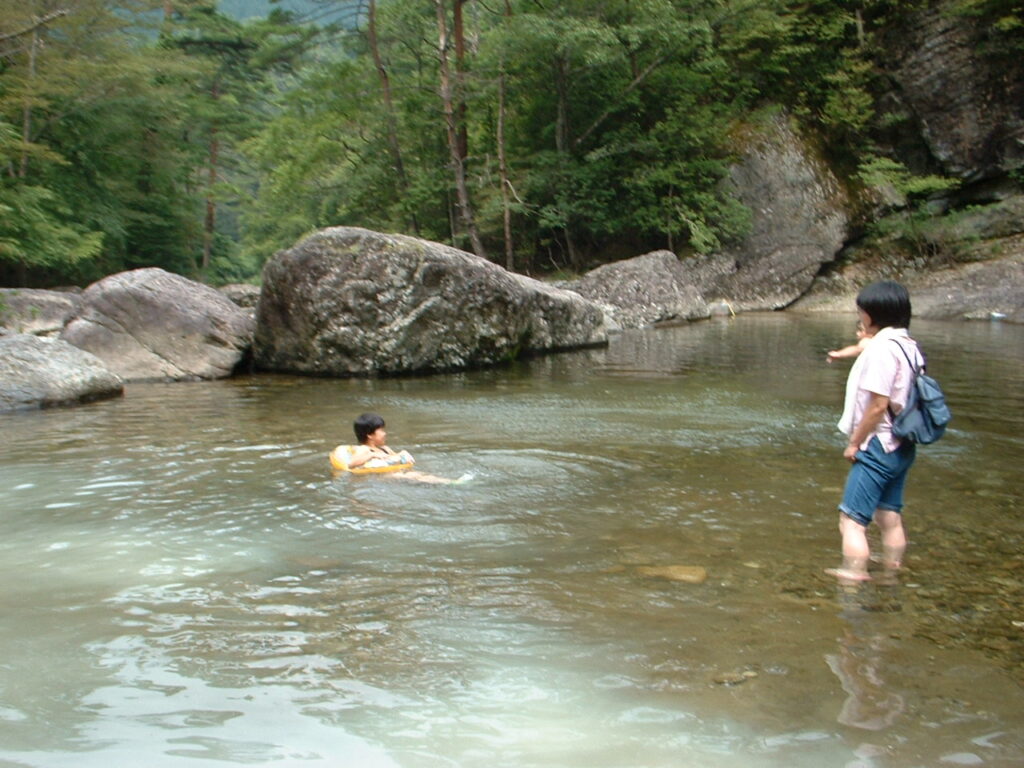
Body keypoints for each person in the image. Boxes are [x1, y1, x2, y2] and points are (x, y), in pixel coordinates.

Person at [827, 281, 923, 582]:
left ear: (874, 314)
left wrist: (854, 444)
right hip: (903, 443)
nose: (860, 316)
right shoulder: (909, 346)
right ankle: (891, 568)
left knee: (851, 521)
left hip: (878, 443)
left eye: (862, 311)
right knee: (888, 515)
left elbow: (877, 406)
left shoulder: (882, 350)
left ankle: (853, 574)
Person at [347, 412, 467, 485]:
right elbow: (351, 464)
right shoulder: (364, 449)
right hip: (381, 478)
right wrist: (372, 455)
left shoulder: (385, 448)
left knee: (418, 474)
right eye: (381, 430)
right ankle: (449, 483)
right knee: (408, 477)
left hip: (395, 472)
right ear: (369, 435)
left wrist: (403, 455)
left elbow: (396, 460)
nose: (385, 433)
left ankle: (448, 481)